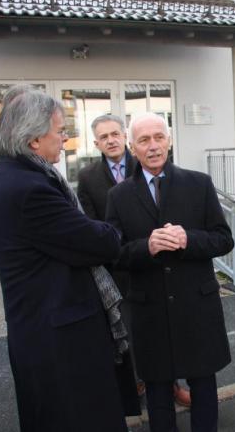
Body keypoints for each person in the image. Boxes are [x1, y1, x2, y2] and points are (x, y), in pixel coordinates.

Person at [0, 85, 139, 431]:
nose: (65, 139)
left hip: (46, 331)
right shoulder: (30, 190)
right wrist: (109, 228)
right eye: (60, 131)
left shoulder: (13, 178)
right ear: (34, 139)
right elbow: (102, 242)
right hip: (61, 340)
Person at [106, 112, 234, 432]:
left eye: (159, 137)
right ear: (131, 147)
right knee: (158, 392)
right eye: (144, 140)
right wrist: (145, 248)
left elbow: (223, 239)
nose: (153, 146)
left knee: (204, 387)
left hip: (196, 304)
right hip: (149, 309)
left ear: (170, 140)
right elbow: (114, 254)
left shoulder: (198, 183)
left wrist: (189, 239)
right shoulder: (118, 196)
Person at [76, 114, 192, 407]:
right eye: (104, 137)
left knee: (169, 328)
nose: (111, 140)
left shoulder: (145, 161)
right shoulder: (88, 177)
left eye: (115, 133)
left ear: (125, 138)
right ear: (97, 144)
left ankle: (175, 386)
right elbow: (91, 224)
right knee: (131, 332)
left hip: (158, 263)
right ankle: (140, 386)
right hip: (119, 266)